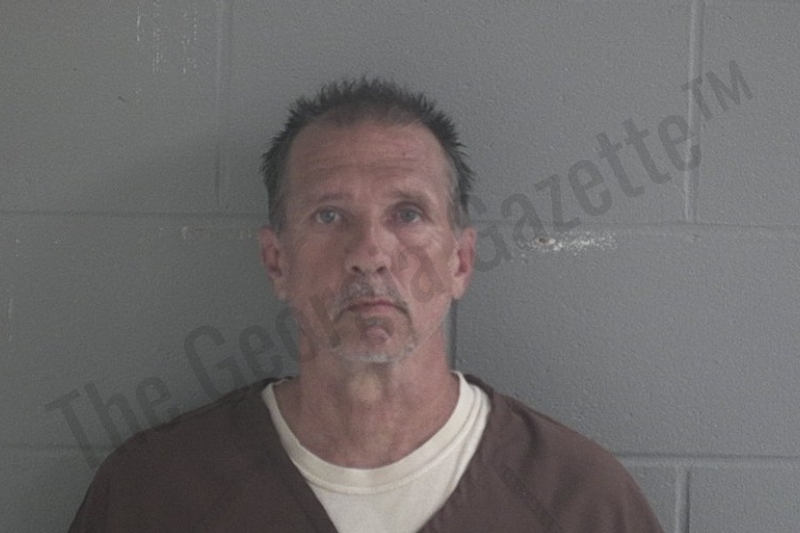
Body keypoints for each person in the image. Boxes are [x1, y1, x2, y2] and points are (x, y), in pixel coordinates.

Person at [70, 78, 664, 532]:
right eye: (330, 215)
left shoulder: (580, 501)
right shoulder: (157, 494)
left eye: (408, 213)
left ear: (460, 261)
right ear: (277, 261)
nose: (370, 254)